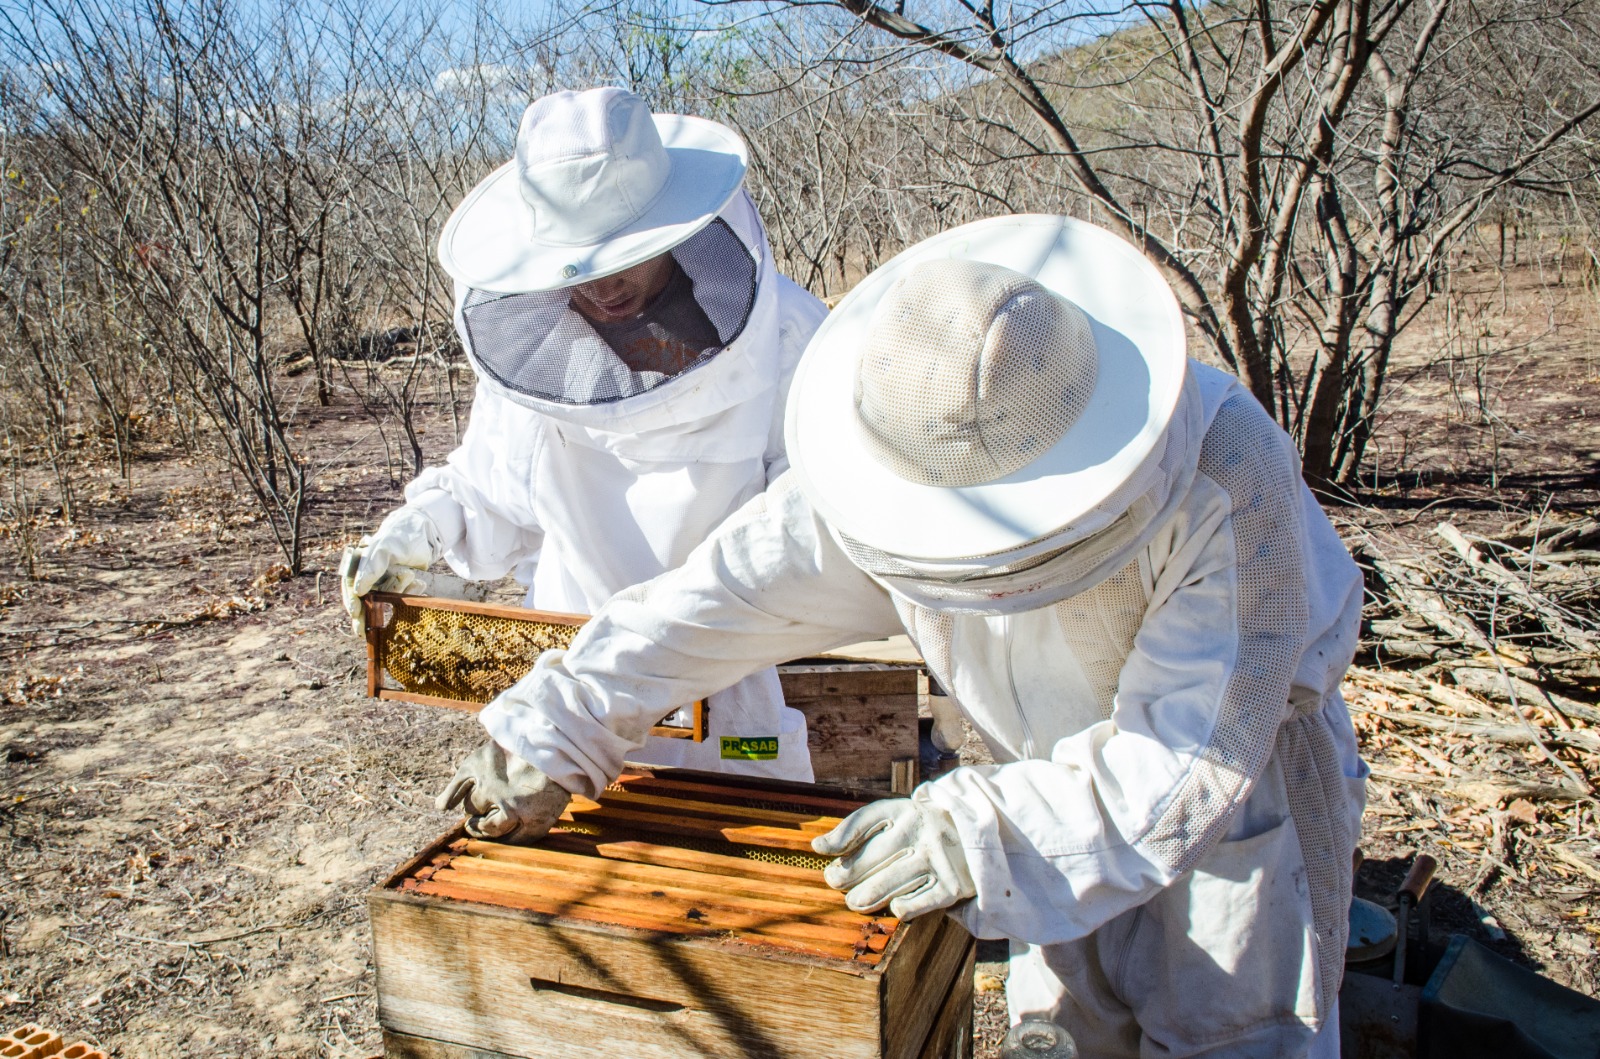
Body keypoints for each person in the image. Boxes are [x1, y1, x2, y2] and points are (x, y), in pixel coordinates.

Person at [434, 214, 1368, 1058]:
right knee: (1070, 1039)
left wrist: (982, 833)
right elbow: (716, 598)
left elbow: (1187, 760)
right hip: (1037, 776)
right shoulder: (885, 447)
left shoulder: (1226, 468)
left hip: (1239, 809)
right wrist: (561, 719)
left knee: (1233, 1038)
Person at [341, 87, 826, 785]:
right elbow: (490, 490)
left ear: (674, 227)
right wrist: (416, 534)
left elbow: (800, 552)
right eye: (577, 265)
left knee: (761, 868)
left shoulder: (788, 343)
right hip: (557, 714)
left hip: (729, 721)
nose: (601, 289)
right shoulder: (543, 362)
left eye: (622, 254)